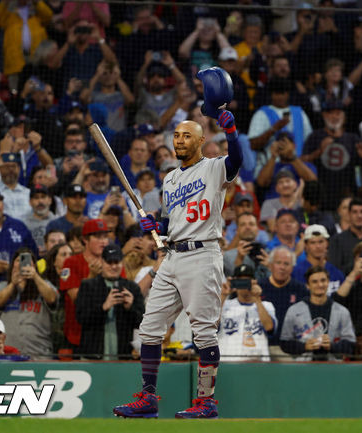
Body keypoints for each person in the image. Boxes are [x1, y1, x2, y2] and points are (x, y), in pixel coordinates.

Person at [113, 106, 243, 418]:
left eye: (187, 135)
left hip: (203, 253)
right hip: (172, 256)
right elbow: (171, 224)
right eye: (176, 135)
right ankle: (147, 398)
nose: (180, 140)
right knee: (150, 328)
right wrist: (155, 227)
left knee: (203, 332)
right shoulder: (170, 179)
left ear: (200, 142)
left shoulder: (213, 168)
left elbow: (236, 161)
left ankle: (206, 401)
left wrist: (232, 133)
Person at [75, 244, 144, 359]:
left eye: (116, 262)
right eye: (109, 262)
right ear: (102, 262)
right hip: (93, 357)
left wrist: (130, 308)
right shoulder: (88, 286)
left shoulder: (132, 288)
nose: (113, 266)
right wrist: (103, 307)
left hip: (123, 357)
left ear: (122, 263)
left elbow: (141, 322)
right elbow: (81, 318)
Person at [0, 248, 57, 359]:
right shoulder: (3, 286)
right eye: (18, 260)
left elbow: (51, 298)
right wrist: (13, 283)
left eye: (27, 260)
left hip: (39, 352)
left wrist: (35, 276)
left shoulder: (43, 284)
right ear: (12, 265)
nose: (22, 263)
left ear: (34, 265)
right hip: (9, 353)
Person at [280, 266, 355, 361]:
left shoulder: (342, 311)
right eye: (314, 282)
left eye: (323, 280)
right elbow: (285, 343)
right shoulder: (294, 311)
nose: (320, 285)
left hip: (333, 369)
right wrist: (304, 346)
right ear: (307, 285)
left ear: (328, 282)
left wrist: (332, 346)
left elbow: (350, 344)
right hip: (303, 369)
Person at [60, 219, 111, 354]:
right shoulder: (71, 263)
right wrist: (91, 276)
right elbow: (76, 299)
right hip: (77, 336)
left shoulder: (113, 263)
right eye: (97, 237)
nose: (103, 241)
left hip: (106, 334)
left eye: (105, 236)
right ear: (85, 240)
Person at [218, 263, 276, 362]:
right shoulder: (225, 305)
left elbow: (269, 328)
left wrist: (257, 298)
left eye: (246, 281)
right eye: (240, 281)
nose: (243, 285)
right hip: (227, 363)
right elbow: (212, 327)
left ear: (254, 282)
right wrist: (223, 296)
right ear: (233, 282)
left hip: (257, 365)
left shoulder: (266, 306)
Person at [293, 225, 344, 295]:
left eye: (321, 242)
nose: (318, 246)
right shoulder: (296, 273)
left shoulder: (336, 273)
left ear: (327, 243)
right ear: (306, 245)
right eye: (313, 243)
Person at [22, 184, 56, 254]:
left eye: (43, 197)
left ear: (50, 200)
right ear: (30, 202)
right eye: (36, 198)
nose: (40, 201)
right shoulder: (23, 224)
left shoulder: (57, 221)